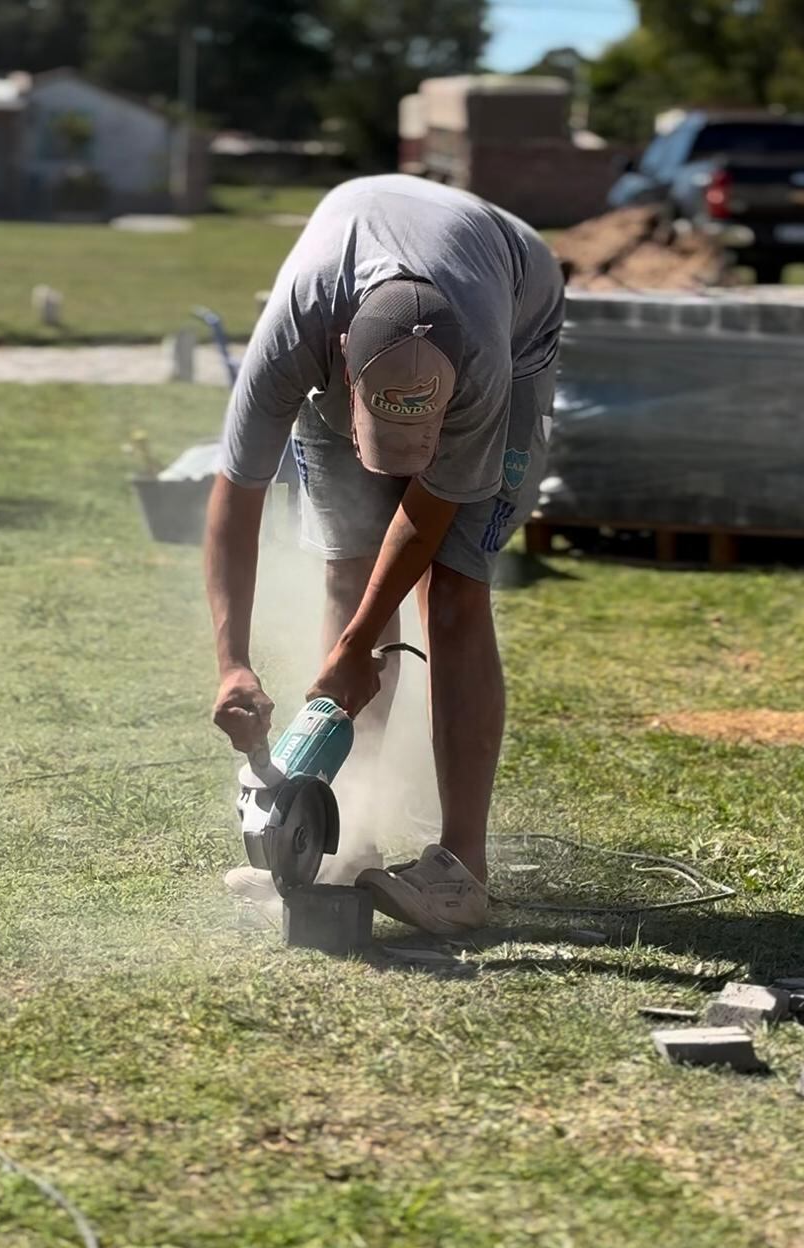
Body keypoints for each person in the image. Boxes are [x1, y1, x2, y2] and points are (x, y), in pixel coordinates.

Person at [204, 174, 565, 934]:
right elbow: (235, 498)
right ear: (338, 358)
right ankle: (344, 833)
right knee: (347, 574)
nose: (397, 463)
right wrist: (232, 662)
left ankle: (461, 871)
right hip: (356, 307)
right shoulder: (295, 331)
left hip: (516, 307)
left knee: (455, 591)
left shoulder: (484, 366)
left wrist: (358, 646)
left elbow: (425, 523)